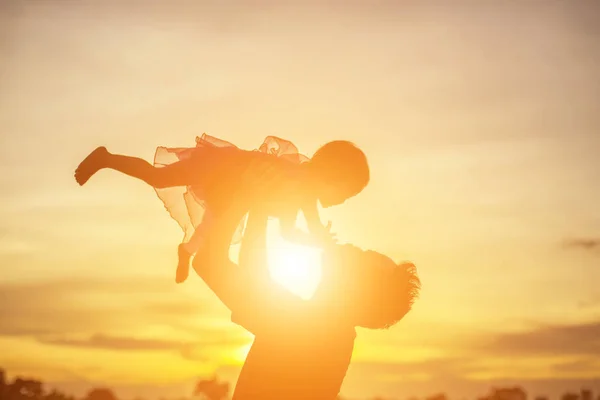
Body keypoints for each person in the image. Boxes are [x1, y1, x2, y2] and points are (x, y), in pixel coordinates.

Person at [190, 206, 421, 400]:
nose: (351, 247)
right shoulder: (327, 330)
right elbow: (226, 268)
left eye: (361, 256)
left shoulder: (321, 331)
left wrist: (249, 200)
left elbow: (213, 264)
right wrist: (255, 205)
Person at [74, 134, 370, 283]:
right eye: (345, 192)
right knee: (160, 178)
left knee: (214, 226)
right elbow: (303, 230)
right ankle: (106, 158)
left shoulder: (305, 195)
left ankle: (186, 251)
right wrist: (320, 241)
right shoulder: (302, 186)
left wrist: (319, 243)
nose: (342, 200)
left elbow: (294, 233)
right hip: (219, 172)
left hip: (232, 195)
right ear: (330, 175)